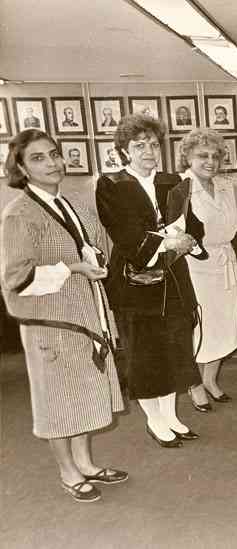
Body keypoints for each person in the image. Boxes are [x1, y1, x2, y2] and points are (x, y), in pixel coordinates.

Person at [0, 129, 126, 502]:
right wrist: (73, 268)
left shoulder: (69, 204)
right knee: (56, 401)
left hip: (84, 318)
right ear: (20, 168)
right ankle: (67, 471)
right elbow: (15, 279)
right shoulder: (19, 214)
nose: (53, 163)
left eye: (54, 154)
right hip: (50, 325)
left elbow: (94, 247)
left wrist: (95, 260)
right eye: (38, 158)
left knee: (84, 396)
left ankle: (86, 463)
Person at [96, 114, 203, 448]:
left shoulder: (172, 181)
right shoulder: (111, 185)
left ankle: (170, 415)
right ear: (124, 151)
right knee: (146, 354)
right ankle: (154, 421)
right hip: (135, 281)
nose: (148, 151)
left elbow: (193, 223)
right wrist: (168, 241)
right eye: (139, 146)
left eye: (154, 144)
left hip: (173, 279)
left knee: (174, 350)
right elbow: (126, 236)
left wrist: (190, 240)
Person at [173, 128, 237, 404]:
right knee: (200, 328)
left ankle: (211, 379)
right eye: (203, 155)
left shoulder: (227, 186)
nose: (210, 161)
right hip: (196, 266)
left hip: (226, 262)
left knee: (224, 326)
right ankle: (194, 386)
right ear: (187, 156)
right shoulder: (180, 188)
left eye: (216, 155)